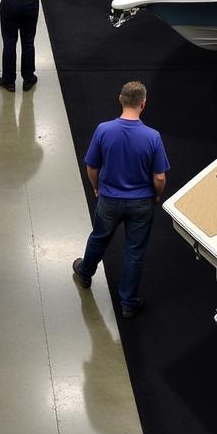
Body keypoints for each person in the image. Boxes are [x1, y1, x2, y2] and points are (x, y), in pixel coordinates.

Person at [72, 81, 170, 319]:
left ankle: (85, 273)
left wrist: (97, 188)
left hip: (109, 199)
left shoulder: (103, 130)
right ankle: (128, 302)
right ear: (143, 104)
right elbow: (159, 176)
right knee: (135, 251)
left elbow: (92, 166)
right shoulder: (152, 137)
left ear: (120, 99)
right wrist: (156, 195)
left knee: (99, 237)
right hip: (141, 203)